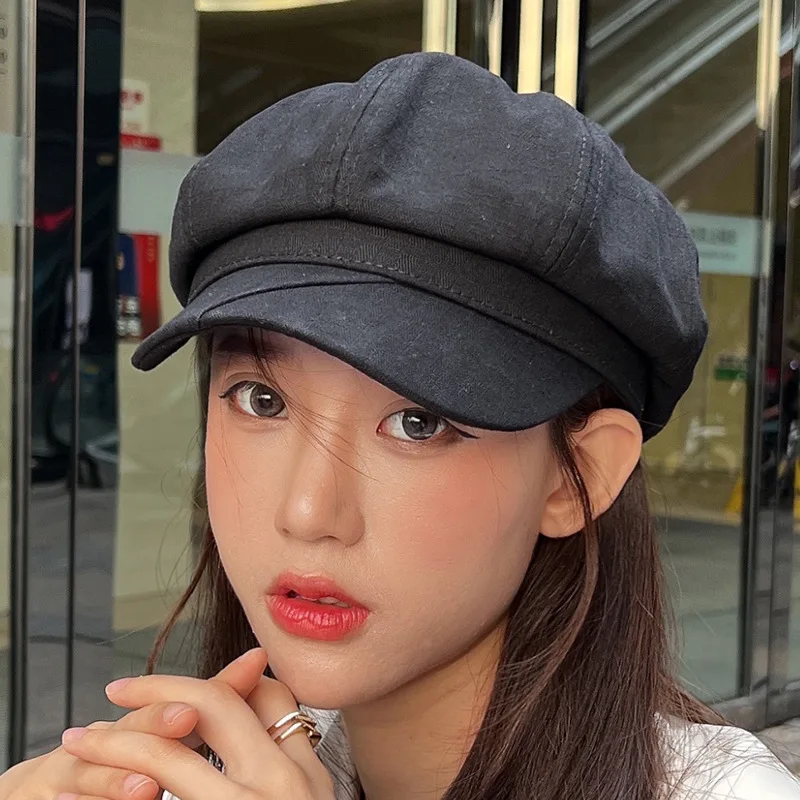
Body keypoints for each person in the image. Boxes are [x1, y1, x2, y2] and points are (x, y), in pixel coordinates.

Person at [2, 52, 799, 800]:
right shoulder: (231, 770)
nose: (308, 512)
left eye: (418, 422)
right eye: (261, 400)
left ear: (579, 476)